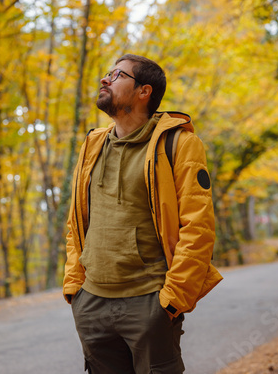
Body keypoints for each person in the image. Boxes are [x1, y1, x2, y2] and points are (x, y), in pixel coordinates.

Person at [63, 54, 223, 374]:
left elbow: (199, 227)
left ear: (143, 92)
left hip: (150, 301)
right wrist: (74, 287)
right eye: (107, 73)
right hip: (91, 301)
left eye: (117, 75)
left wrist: (172, 300)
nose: (105, 79)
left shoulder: (179, 143)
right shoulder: (92, 144)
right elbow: (76, 222)